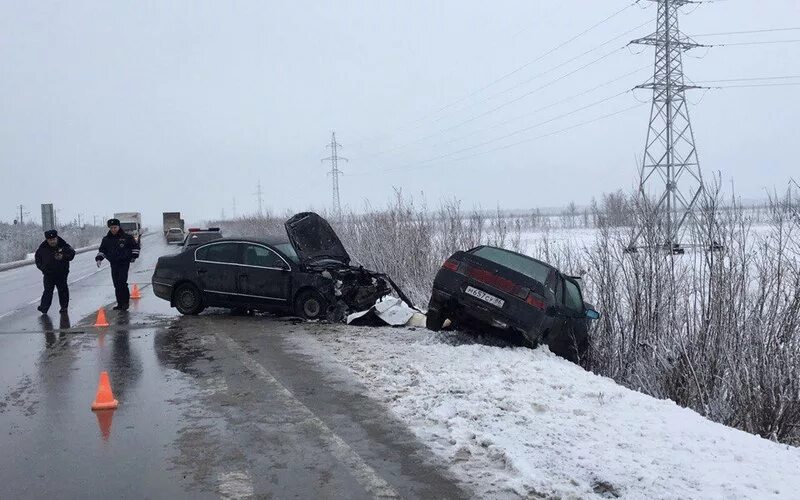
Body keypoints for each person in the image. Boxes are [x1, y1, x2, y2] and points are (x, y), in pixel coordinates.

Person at [96, 218, 140, 311]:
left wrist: (134, 256)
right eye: (111, 228)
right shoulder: (106, 239)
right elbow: (102, 250)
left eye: (115, 227)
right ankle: (120, 303)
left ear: (119, 227)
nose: (113, 229)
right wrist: (99, 258)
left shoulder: (127, 237)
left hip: (124, 263)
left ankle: (125, 303)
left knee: (122, 282)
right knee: (116, 284)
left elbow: (135, 247)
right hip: (114, 263)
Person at [35, 229, 76, 314]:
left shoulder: (64, 245)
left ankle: (64, 307)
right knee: (48, 291)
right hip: (48, 274)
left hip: (62, 273)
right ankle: (44, 308)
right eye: (50, 240)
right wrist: (43, 268)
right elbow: (38, 260)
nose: (52, 241)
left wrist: (63, 256)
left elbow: (72, 254)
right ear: (47, 240)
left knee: (63, 290)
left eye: (54, 239)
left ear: (56, 238)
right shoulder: (42, 248)